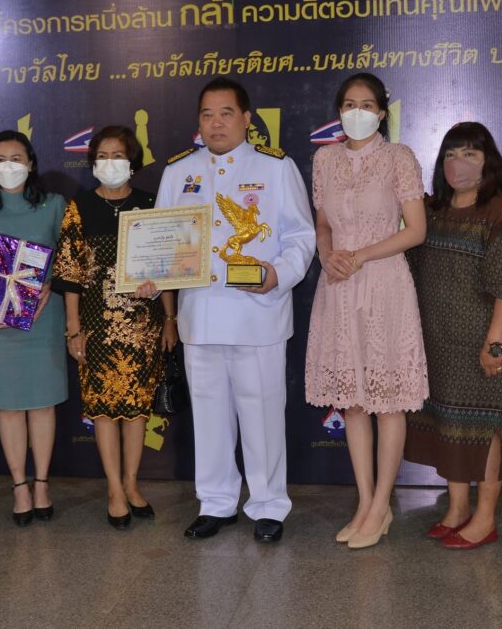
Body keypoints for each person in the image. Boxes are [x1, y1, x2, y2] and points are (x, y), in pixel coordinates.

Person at [145, 77, 315, 543]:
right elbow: (159, 237)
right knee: (209, 416)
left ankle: (269, 505)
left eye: (225, 113)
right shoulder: (179, 171)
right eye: (207, 115)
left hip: (257, 313)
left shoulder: (275, 167)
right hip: (200, 315)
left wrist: (278, 274)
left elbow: (301, 236)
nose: (216, 123)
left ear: (246, 118)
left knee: (263, 414)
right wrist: (151, 275)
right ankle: (216, 502)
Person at [304, 72, 428, 549]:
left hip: (384, 283)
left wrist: (360, 256)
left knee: (388, 401)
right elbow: (322, 223)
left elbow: (415, 229)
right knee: (353, 403)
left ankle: (381, 506)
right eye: (349, 104)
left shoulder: (399, 157)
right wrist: (327, 255)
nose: (357, 112)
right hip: (338, 285)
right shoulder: (324, 159)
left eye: (367, 105)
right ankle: (364, 502)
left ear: (381, 112)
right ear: (339, 111)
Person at [404, 122, 502, 550]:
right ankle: (458, 508)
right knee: (450, 426)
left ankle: (485, 517)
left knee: (487, 429)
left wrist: (495, 343)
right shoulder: (432, 210)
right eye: (450, 154)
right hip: (440, 342)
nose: (457, 163)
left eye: (469, 155)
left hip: (487, 342)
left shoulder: (501, 212)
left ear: (488, 163)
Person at [54, 125, 177, 529]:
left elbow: (168, 269)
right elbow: (69, 272)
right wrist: (73, 327)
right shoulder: (79, 207)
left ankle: (132, 483)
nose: (110, 163)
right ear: (92, 162)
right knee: (104, 410)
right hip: (96, 327)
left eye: (118, 155)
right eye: (102, 156)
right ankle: (113, 490)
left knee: (138, 409)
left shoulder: (151, 204)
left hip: (143, 325)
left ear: (133, 161)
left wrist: (169, 318)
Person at [0, 130, 66, 527]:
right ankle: (19, 486)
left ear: (31, 163)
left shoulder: (55, 204)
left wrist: (51, 285)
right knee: (8, 407)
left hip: (43, 317)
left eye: (16, 158)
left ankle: (42, 484)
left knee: (42, 404)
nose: (8, 165)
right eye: (0, 159)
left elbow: (70, 260)